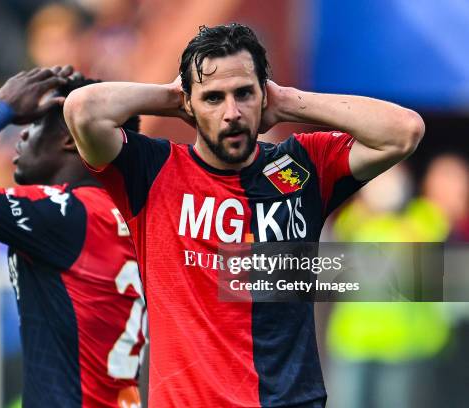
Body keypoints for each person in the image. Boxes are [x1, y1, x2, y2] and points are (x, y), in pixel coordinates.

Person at [63, 23, 425, 407]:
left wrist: (288, 100)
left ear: (263, 95)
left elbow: (403, 131)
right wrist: (173, 96)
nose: (232, 113)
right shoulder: (150, 170)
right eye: (213, 98)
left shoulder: (302, 165)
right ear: (189, 103)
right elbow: (83, 110)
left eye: (244, 94)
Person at [0, 66, 146, 408]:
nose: (21, 136)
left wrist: (1, 108)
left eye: (35, 124)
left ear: (70, 138)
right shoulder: (139, 213)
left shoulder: (63, 212)